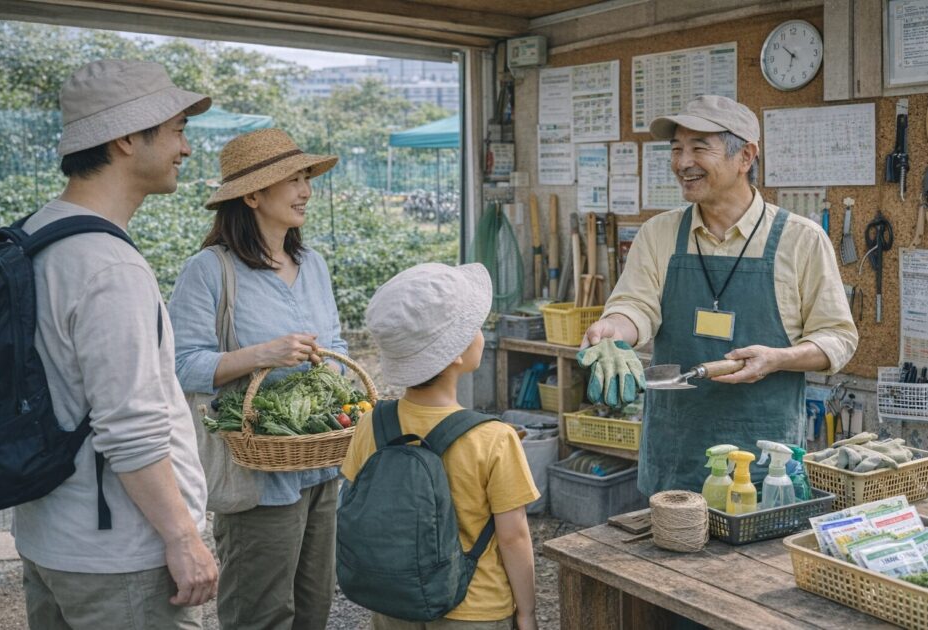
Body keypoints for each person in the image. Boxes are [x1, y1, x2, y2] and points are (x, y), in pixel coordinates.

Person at [13, 60, 217, 629]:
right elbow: (131, 426)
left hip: (49, 533)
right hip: (119, 556)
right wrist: (184, 540)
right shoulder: (108, 267)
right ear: (127, 137)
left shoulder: (34, 236)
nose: (186, 149)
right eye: (178, 129)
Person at [581, 95, 858, 497]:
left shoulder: (801, 240)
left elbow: (838, 337)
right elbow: (635, 307)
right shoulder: (659, 234)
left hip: (765, 462)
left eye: (698, 148)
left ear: (745, 156)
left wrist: (778, 359)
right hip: (675, 454)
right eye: (676, 149)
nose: (682, 162)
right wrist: (611, 329)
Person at [168, 127, 346, 630]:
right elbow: (181, 365)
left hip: (321, 462)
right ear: (252, 195)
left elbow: (338, 348)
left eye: (306, 176)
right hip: (256, 474)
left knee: (314, 610)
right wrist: (262, 354)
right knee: (261, 614)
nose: (306, 190)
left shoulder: (313, 265)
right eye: (293, 179)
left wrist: (338, 382)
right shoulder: (210, 270)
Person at [342, 262, 541, 630]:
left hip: (395, 603)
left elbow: (357, 502)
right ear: (455, 354)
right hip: (475, 608)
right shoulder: (493, 438)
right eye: (474, 327)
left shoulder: (372, 423)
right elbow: (513, 537)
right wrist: (527, 612)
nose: (480, 333)